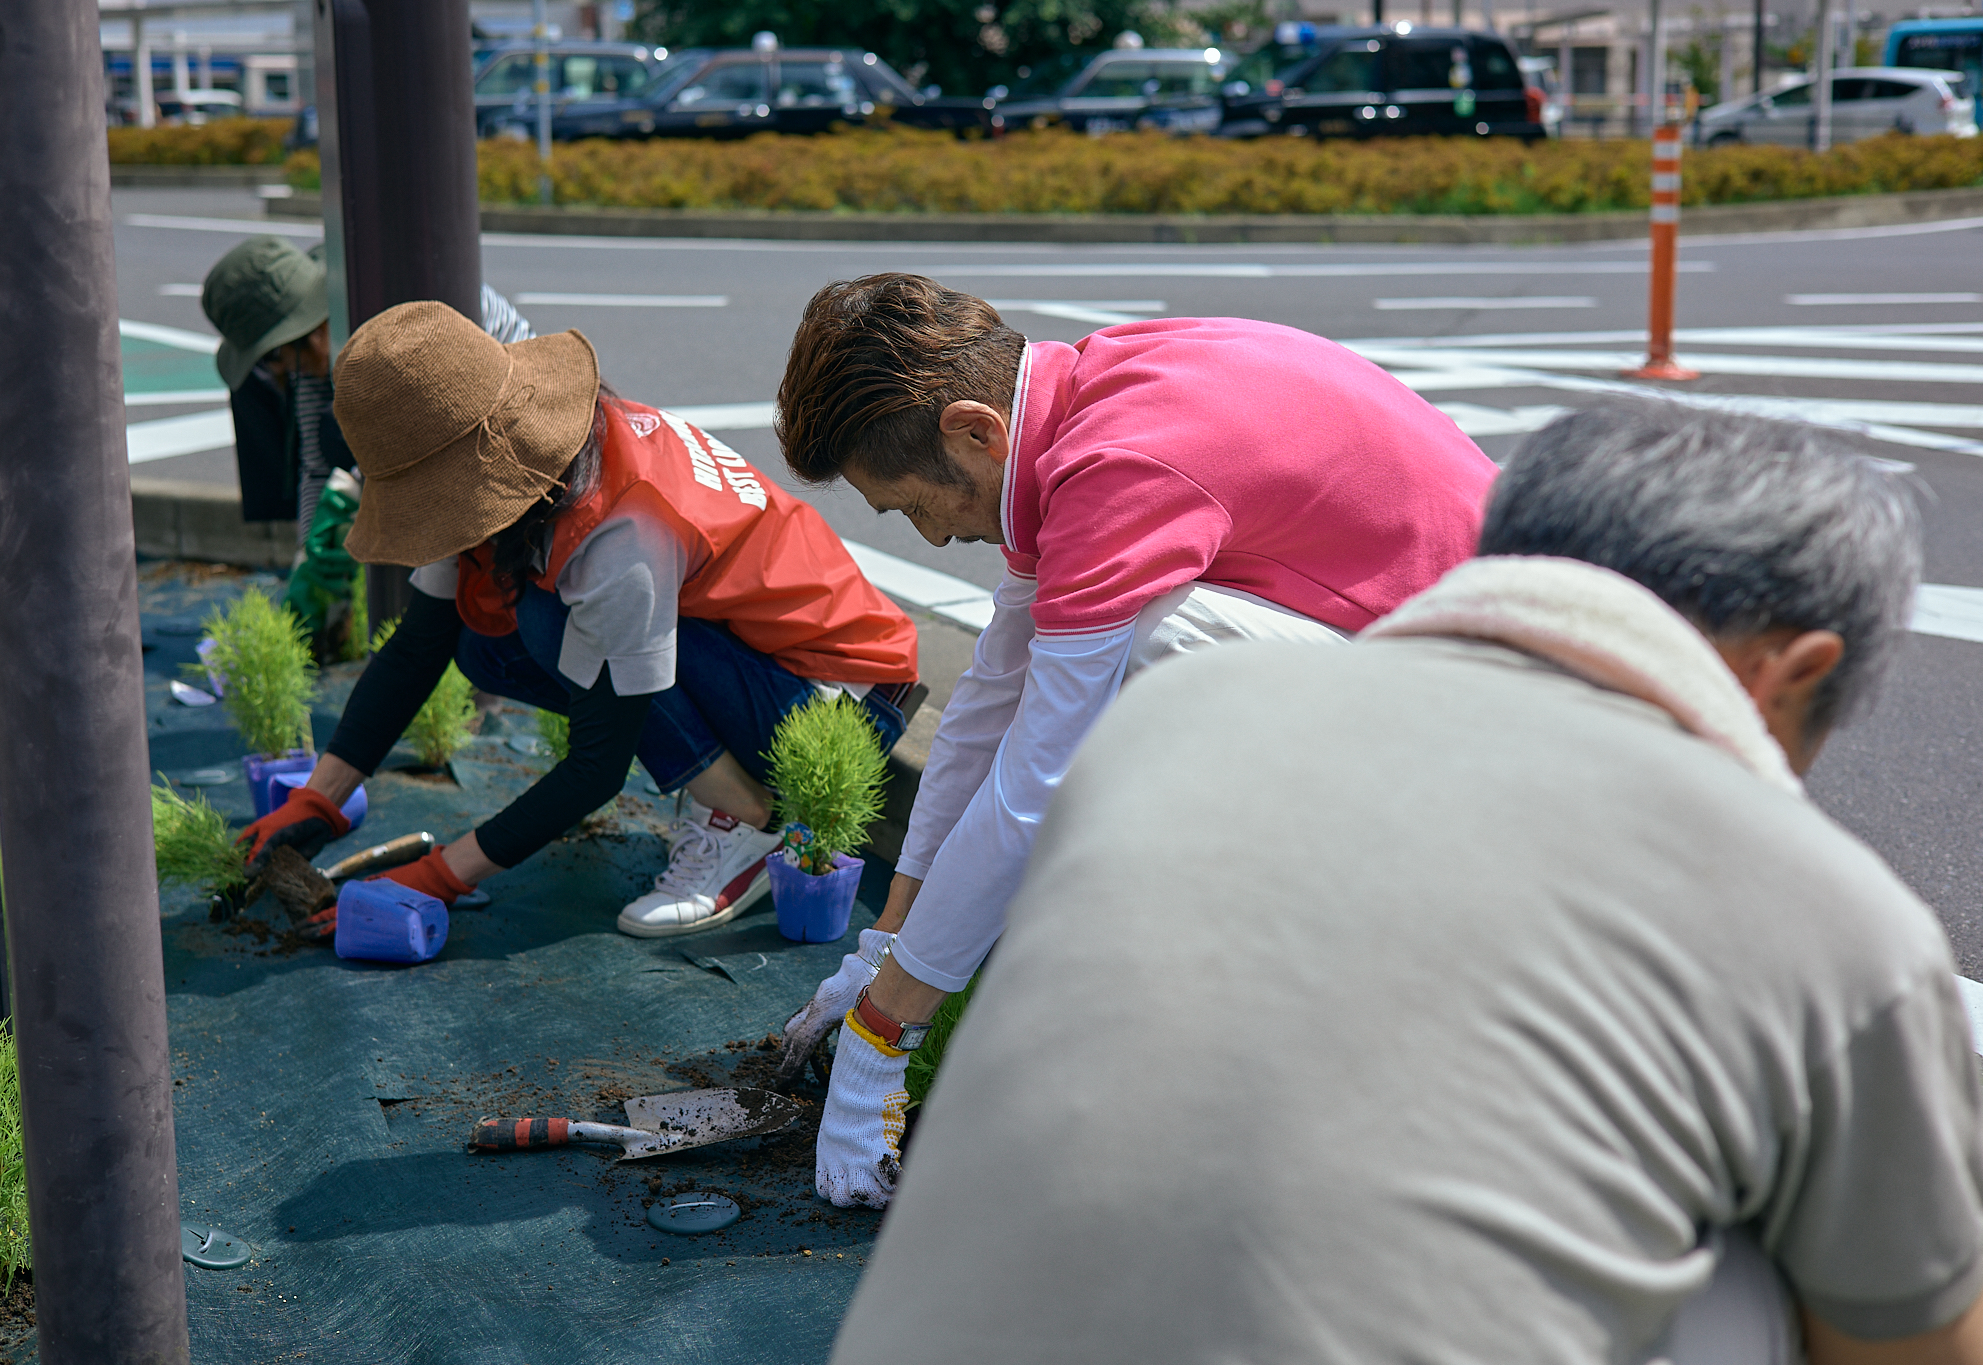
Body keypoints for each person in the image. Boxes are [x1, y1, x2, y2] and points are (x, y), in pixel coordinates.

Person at [833, 402, 1983, 1365]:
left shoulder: (1183, 716)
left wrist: (885, 997)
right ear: (1795, 672)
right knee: (1784, 1247)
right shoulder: (1828, 916)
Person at [767, 274, 1498, 1206]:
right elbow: (990, 695)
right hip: (1444, 655)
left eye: (913, 505)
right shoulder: (1085, 397)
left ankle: (1286, 964)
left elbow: (1032, 787)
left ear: (974, 432)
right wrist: (884, 941)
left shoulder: (1122, 469)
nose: (934, 536)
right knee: (1061, 668)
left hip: (1502, 714)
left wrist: (880, 1042)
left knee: (1146, 646)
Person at [231, 300, 920, 939]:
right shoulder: (534, 461)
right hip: (749, 656)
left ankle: (745, 817)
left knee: (549, 623)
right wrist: (320, 800)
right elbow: (421, 642)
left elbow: (597, 766)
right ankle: (724, 780)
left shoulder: (619, 531)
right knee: (485, 643)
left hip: (834, 700)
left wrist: (440, 874)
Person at [199, 236, 533, 639]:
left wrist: (356, 485)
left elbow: (430, 434)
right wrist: (309, 557)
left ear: (309, 334)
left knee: (464, 616)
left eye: (275, 356)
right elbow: (316, 468)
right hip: (433, 425)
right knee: (330, 436)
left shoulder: (393, 313)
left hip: (503, 418)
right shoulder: (314, 360)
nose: (280, 370)